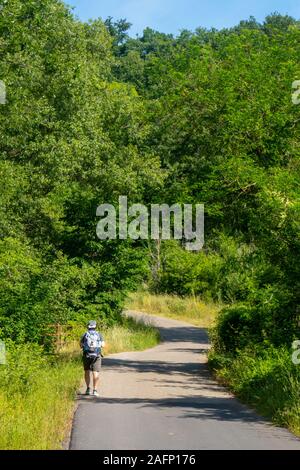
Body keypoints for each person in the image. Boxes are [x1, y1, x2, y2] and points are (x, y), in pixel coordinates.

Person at [80, 320, 105, 397]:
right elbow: (103, 345)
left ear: (88, 326)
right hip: (96, 356)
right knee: (95, 372)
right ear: (95, 326)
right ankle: (95, 390)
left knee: (87, 371)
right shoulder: (99, 334)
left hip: (86, 355)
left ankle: (87, 389)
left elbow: (81, 345)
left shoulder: (85, 334)